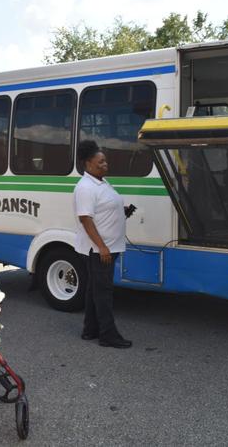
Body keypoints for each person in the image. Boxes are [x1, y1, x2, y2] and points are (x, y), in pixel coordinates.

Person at [74, 140, 134, 349]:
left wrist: (121, 213)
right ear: (88, 163)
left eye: (105, 161)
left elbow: (103, 209)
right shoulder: (85, 187)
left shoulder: (101, 182)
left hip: (109, 246)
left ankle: (90, 330)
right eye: (100, 162)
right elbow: (86, 219)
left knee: (94, 289)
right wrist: (102, 247)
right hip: (99, 249)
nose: (105, 164)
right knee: (103, 292)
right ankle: (108, 335)